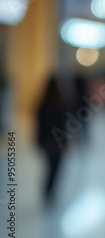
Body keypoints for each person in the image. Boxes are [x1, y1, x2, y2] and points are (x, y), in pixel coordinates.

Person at [36, 76, 68, 206]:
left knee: (51, 168)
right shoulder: (59, 104)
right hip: (55, 143)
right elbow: (62, 126)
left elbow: (41, 127)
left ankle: (49, 192)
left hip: (48, 143)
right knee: (55, 169)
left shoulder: (43, 105)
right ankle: (50, 192)